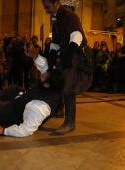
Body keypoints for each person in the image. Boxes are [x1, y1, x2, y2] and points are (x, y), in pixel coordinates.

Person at [0, 43, 64, 137]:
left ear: (46, 84)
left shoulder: (39, 107)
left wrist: (4, 131)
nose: (41, 75)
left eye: (43, 76)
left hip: (16, 114)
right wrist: (35, 55)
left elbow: (26, 130)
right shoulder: (54, 81)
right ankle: (2, 105)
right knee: (11, 89)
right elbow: (45, 67)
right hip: (25, 99)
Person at [41, 0, 93, 135]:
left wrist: (69, 56)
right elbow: (56, 41)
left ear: (56, 4)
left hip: (76, 53)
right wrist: (52, 53)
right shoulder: (56, 20)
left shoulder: (70, 16)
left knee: (68, 85)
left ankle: (70, 122)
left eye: (48, 7)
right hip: (67, 54)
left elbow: (77, 36)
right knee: (57, 79)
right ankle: (59, 110)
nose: (46, 10)